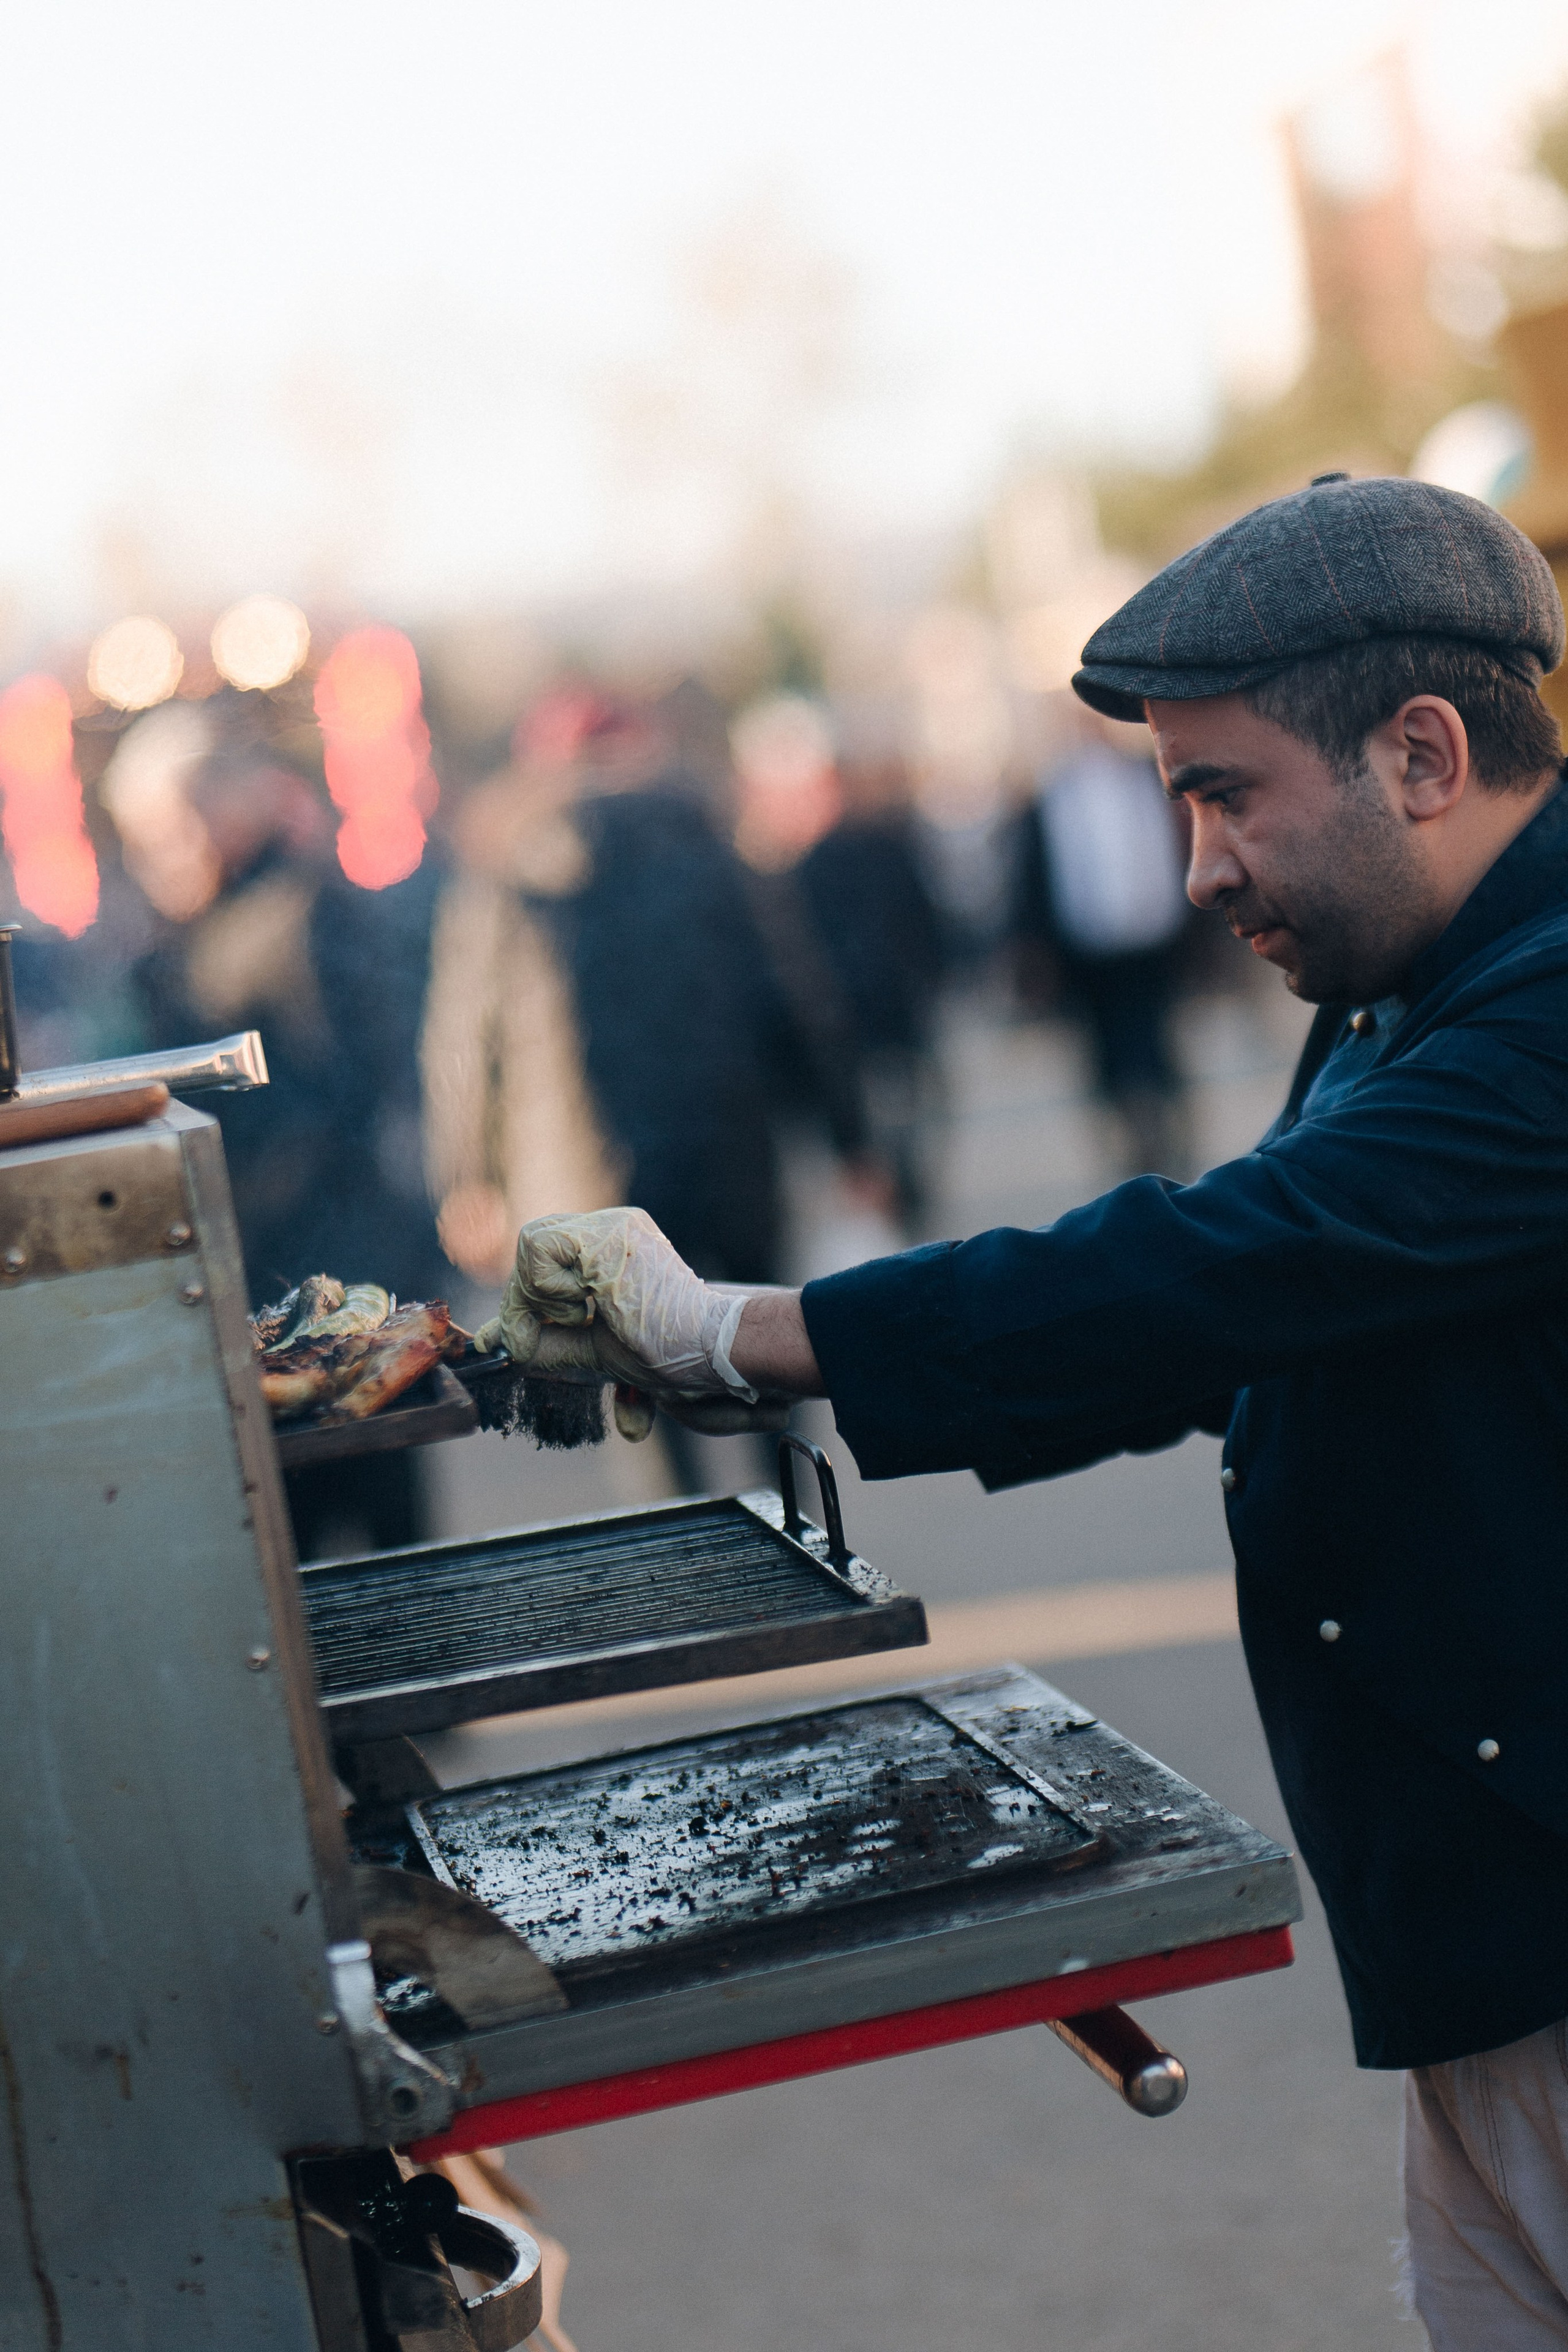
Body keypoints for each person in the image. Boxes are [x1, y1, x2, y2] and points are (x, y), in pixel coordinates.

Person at [469, 475, 1568, 2350]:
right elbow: (1237, 1326)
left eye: (1224, 793)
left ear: (1420, 752)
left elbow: (1224, 1262)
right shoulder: (1412, 982)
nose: (1199, 868)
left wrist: (740, 1330)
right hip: (1491, 1936)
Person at [136, 733, 445, 1556]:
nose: (154, 854)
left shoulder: (310, 910)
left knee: (385, 1533)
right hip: (279, 1275)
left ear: (226, 810)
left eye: (167, 828)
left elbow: (356, 1091)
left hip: (334, 1274)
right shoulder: (194, 934)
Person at [1008, 703, 1193, 1177]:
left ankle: (1168, 1128)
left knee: (1157, 1040)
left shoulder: (1145, 781)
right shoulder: (1050, 797)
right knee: (1107, 1050)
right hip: (1087, 952)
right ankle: (1131, 1139)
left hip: (1153, 941)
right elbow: (1032, 880)